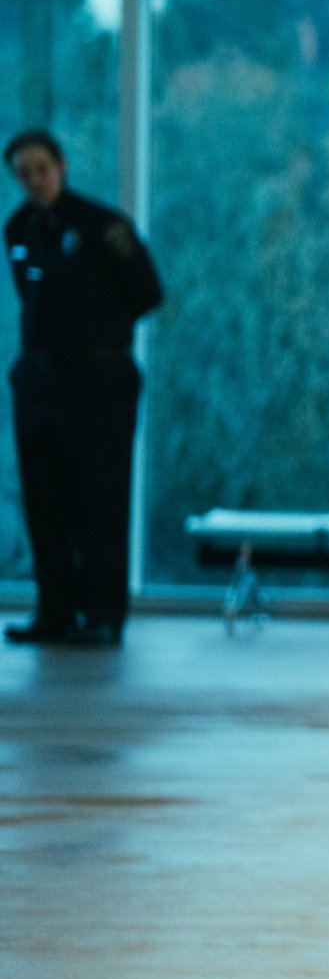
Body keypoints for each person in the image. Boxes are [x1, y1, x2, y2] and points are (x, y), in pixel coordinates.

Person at [5, 129, 163, 648]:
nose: (33, 182)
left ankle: (101, 613)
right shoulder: (19, 229)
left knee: (99, 499)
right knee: (45, 500)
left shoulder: (103, 227)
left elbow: (146, 293)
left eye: (41, 170)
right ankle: (56, 609)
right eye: (23, 174)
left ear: (62, 166)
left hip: (97, 381)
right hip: (42, 382)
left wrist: (94, 327)